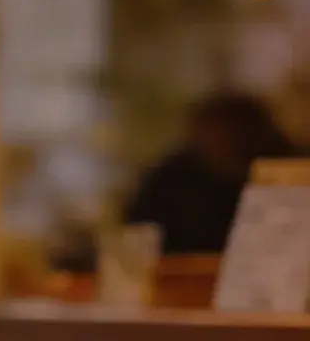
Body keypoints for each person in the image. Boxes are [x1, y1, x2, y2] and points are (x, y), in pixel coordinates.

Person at [123, 88, 296, 256]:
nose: (217, 140)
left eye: (226, 130)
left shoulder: (289, 172)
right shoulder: (172, 179)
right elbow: (139, 234)